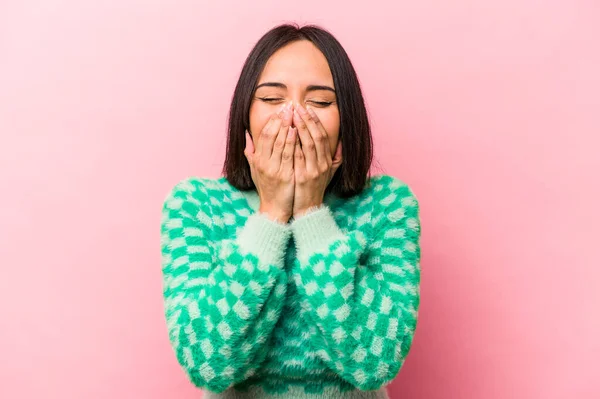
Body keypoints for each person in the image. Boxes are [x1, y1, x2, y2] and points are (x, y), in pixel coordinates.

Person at [160, 23, 421, 399]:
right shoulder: (195, 206)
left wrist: (312, 212)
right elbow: (209, 364)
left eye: (320, 102)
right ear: (245, 115)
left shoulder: (388, 205)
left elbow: (374, 363)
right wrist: (272, 212)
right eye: (271, 99)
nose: (295, 117)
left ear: (347, 120)